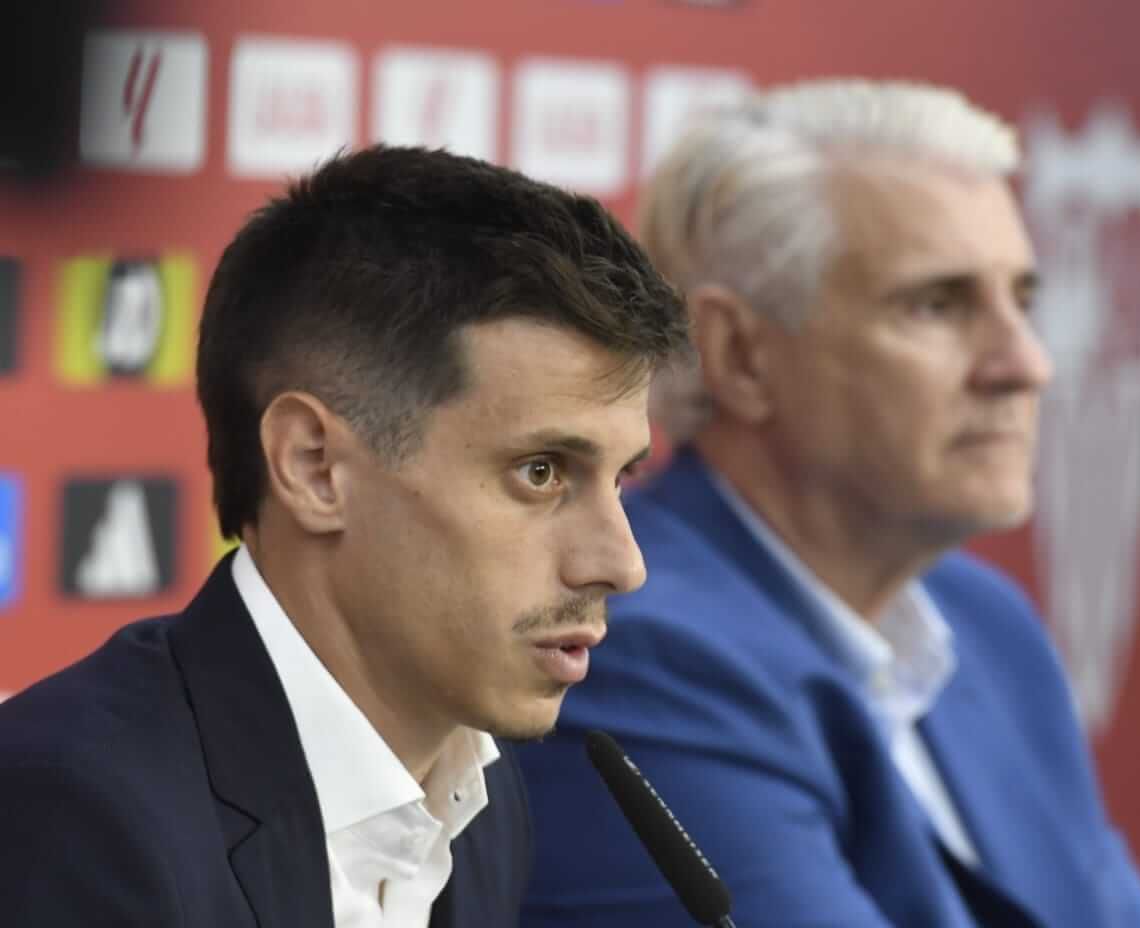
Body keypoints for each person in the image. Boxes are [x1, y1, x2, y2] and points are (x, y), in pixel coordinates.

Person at [517, 80, 1140, 927]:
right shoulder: (631, 650)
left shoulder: (990, 628)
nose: (1024, 365)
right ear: (740, 354)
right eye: (937, 304)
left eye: (1023, 301)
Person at [0, 146, 688, 927]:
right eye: (541, 472)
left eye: (621, 479)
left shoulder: (484, 801)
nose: (621, 564)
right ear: (315, 467)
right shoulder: (77, 822)